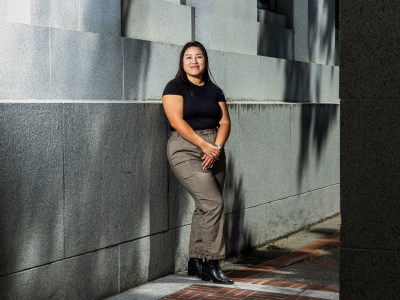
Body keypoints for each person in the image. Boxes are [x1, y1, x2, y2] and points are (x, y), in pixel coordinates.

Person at [162, 41, 233, 285]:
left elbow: (224, 122)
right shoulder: (175, 87)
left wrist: (217, 148)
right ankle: (211, 263)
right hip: (186, 147)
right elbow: (176, 121)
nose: (194, 61)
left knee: (205, 206)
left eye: (199, 57)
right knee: (213, 203)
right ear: (182, 62)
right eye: (188, 57)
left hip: (214, 149)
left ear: (205, 61)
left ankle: (195, 260)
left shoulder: (215, 90)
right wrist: (204, 146)